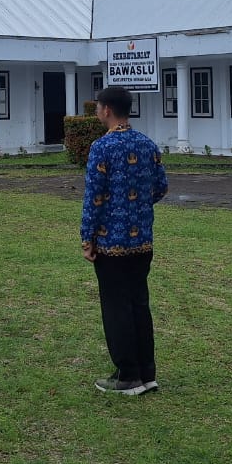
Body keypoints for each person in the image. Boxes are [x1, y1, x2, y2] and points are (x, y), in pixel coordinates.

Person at [80, 85, 168, 396]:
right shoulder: (147, 145)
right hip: (142, 241)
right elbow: (160, 187)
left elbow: (94, 198)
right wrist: (138, 208)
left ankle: (128, 375)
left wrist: (87, 237)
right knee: (139, 304)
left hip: (111, 243)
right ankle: (147, 371)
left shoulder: (102, 148)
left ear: (106, 110)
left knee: (117, 308)